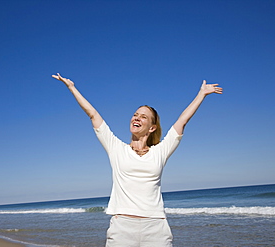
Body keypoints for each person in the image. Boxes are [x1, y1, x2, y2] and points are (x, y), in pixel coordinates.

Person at [52, 73, 223, 247]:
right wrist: (72, 88)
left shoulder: (160, 151)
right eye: (135, 114)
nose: (136, 118)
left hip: (156, 227)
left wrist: (201, 94)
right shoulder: (116, 148)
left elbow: (182, 121)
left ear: (152, 127)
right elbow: (93, 115)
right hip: (122, 228)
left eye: (143, 117)